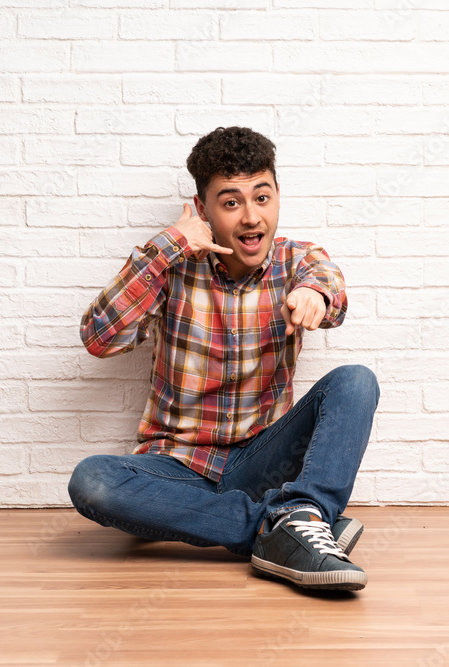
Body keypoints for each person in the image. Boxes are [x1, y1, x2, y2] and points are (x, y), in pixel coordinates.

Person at [67, 126, 379, 592]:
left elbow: (327, 281)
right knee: (92, 481)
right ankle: (288, 524)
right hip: (178, 469)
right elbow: (98, 338)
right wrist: (167, 246)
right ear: (202, 209)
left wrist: (315, 293)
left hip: (262, 462)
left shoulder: (297, 260)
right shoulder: (172, 267)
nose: (252, 217)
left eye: (262, 197)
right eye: (231, 202)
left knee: (356, 381)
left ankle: (294, 514)